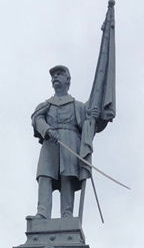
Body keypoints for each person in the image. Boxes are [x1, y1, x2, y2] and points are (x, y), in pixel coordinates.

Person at [31, 66, 102, 219]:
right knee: (44, 177)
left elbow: (86, 129)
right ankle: (42, 213)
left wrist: (93, 119)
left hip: (70, 142)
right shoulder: (46, 105)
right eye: (53, 75)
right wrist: (47, 130)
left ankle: (67, 213)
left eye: (59, 74)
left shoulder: (78, 106)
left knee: (67, 177)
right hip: (50, 143)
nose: (55, 77)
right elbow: (37, 119)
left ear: (68, 80)